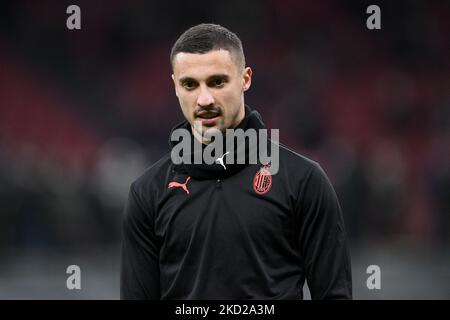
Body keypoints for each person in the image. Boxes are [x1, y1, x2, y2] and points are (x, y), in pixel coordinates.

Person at [120, 23, 352, 299]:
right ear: (175, 86)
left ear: (245, 79)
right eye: (190, 84)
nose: (204, 99)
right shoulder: (148, 192)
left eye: (217, 82)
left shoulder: (303, 180)